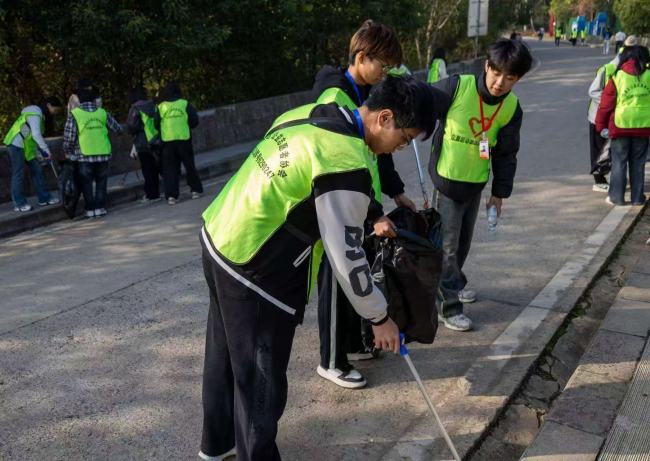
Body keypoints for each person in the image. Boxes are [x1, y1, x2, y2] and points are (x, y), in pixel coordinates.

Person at [197, 75, 436, 461]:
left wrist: (370, 209)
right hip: (256, 267)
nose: (401, 146)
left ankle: (217, 445)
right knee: (261, 379)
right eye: (405, 138)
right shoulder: (345, 162)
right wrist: (379, 317)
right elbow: (347, 257)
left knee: (223, 352)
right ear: (385, 117)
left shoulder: (317, 113)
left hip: (221, 232)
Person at [311, 19, 416, 388]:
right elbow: (337, 165)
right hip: (340, 202)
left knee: (354, 276)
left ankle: (354, 343)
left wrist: (395, 192)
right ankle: (332, 360)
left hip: (361, 200)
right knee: (338, 276)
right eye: (382, 64)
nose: (384, 72)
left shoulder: (367, 94)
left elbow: (379, 152)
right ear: (361, 56)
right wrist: (374, 214)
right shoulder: (334, 97)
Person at [427, 38, 532, 332]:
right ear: (487, 66)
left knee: (462, 244)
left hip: (475, 184)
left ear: (518, 79)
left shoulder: (511, 107)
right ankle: (448, 308)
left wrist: (499, 194)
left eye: (510, 78)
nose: (500, 82)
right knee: (446, 248)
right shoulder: (456, 87)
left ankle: (454, 284)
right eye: (496, 72)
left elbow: (506, 153)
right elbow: (422, 104)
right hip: (446, 182)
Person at [596, 43, 650, 206]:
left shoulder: (618, 77)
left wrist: (600, 125)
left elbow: (605, 105)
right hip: (643, 125)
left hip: (620, 126)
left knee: (619, 162)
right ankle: (637, 198)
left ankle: (616, 198)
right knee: (638, 163)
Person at [63, 87, 122, 218]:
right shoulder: (102, 112)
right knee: (101, 182)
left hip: (84, 155)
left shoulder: (74, 114)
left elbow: (69, 137)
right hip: (103, 153)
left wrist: (68, 151)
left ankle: (90, 210)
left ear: (80, 100)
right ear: (93, 100)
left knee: (86, 184)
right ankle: (100, 208)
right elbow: (117, 128)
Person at [4, 97, 62, 211]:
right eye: (56, 109)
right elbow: (36, 135)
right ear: (49, 105)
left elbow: (32, 137)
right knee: (18, 174)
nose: (56, 112)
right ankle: (19, 204)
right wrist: (46, 150)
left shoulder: (40, 116)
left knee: (37, 171)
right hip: (16, 145)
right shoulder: (35, 114)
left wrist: (40, 153)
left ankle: (44, 198)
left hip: (27, 147)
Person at [154, 81, 202, 205]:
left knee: (170, 169)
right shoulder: (184, 104)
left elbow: (156, 124)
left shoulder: (161, 107)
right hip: (184, 139)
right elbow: (194, 121)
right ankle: (195, 190)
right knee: (189, 166)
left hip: (167, 142)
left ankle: (171, 196)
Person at [587, 48, 622, 192]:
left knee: (608, 149)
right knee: (598, 149)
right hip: (597, 116)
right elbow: (593, 91)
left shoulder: (623, 71)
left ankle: (606, 176)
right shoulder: (607, 69)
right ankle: (598, 180)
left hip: (612, 117)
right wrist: (611, 102)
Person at [127, 86, 162, 203]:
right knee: (156, 168)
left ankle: (151, 195)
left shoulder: (135, 108)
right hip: (156, 140)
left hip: (143, 143)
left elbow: (131, 127)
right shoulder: (152, 104)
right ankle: (158, 192)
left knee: (147, 170)